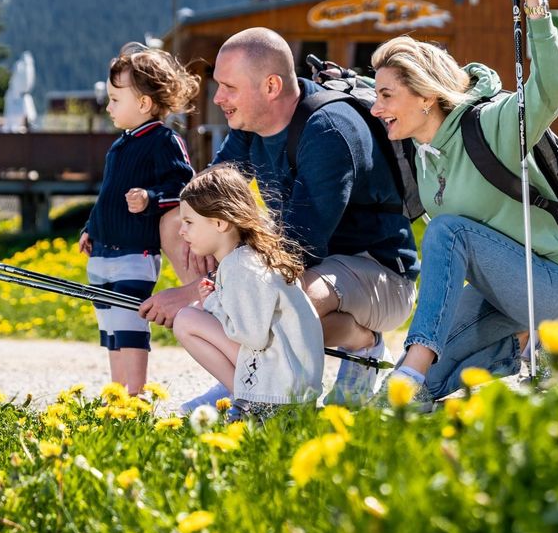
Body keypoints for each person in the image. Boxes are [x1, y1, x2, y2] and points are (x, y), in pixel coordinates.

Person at [141, 26, 419, 407]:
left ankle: (365, 346)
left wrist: (194, 292)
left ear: (271, 86)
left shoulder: (329, 131)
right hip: (301, 263)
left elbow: (298, 246)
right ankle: (242, 377)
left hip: (378, 274)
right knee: (182, 224)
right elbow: (207, 198)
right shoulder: (251, 122)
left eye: (229, 87)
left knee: (286, 298)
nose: (218, 97)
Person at [370, 0, 558, 404]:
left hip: (555, 288)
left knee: (448, 233)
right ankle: (515, 351)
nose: (377, 108)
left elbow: (551, 87)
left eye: (387, 95)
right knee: (421, 383)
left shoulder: (490, 124)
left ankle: (414, 373)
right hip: (500, 297)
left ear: (425, 96)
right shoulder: (422, 158)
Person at [77, 43, 198, 394]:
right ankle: (118, 391)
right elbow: (107, 197)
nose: (108, 105)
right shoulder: (120, 145)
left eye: (115, 99)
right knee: (110, 325)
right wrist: (90, 228)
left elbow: (183, 187)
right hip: (103, 252)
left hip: (135, 253)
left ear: (143, 103)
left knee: (129, 322)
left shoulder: (164, 141)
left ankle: (135, 392)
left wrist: (151, 198)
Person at [172, 164, 325, 417]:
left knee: (186, 319)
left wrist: (212, 304)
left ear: (220, 223)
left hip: (280, 392)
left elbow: (252, 336)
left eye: (189, 222)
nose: (181, 231)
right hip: (294, 384)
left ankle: (247, 401)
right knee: (195, 313)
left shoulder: (239, 265)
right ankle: (247, 397)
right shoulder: (253, 258)